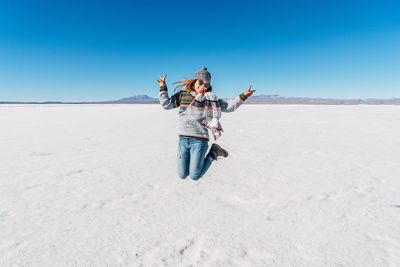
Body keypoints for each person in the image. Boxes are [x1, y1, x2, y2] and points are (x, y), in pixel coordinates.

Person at [158, 67, 255, 180]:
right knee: (182, 175)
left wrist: (244, 96)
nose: (203, 87)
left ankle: (213, 153)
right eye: (201, 83)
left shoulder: (210, 99)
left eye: (206, 85)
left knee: (195, 176)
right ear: (195, 80)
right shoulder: (183, 95)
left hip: (199, 140)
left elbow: (229, 106)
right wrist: (162, 86)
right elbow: (166, 104)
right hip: (183, 139)